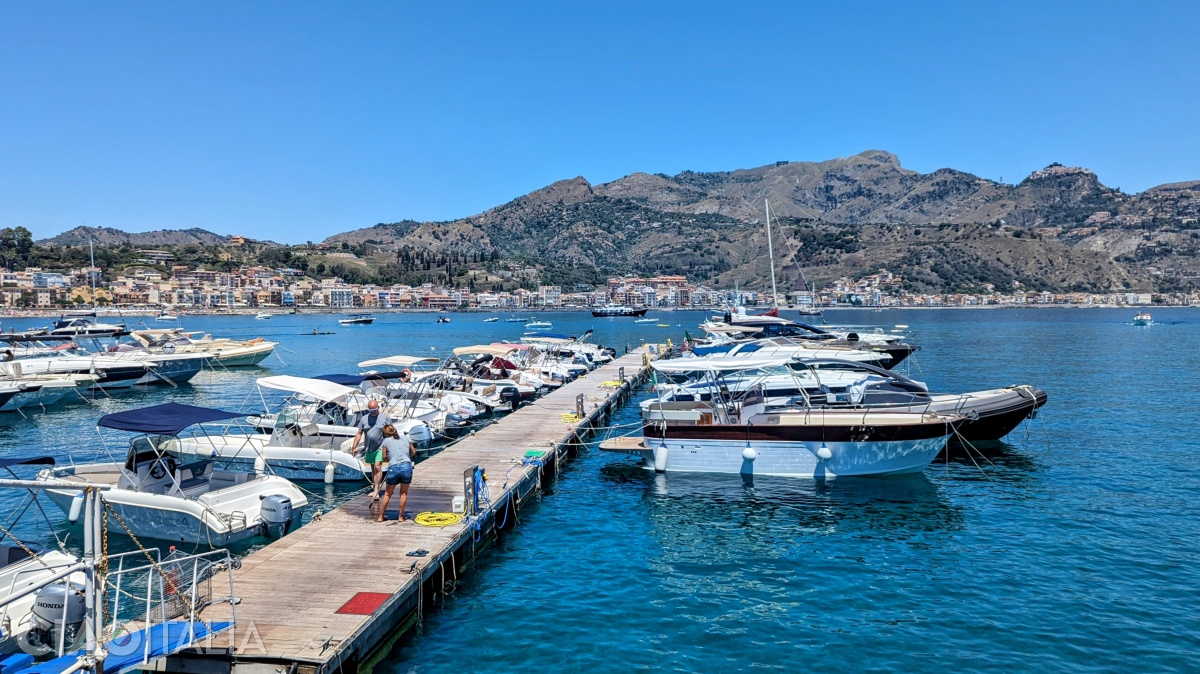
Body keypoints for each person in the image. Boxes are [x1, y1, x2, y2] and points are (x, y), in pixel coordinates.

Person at [350, 399, 391, 499]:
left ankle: (376, 491)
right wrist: (354, 447)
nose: (373, 412)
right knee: (373, 468)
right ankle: (375, 487)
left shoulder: (385, 418)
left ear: (378, 408)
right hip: (369, 447)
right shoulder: (364, 419)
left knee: (378, 467)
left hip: (381, 446)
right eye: (371, 410)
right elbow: (359, 433)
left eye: (375, 410)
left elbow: (391, 432)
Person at [376, 424, 415, 522]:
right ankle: (401, 517)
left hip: (393, 467)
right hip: (406, 466)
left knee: (388, 493)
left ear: (385, 434)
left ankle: (381, 517)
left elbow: (384, 456)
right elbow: (413, 452)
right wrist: (406, 457)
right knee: (403, 493)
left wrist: (389, 459)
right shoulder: (406, 438)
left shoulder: (386, 441)